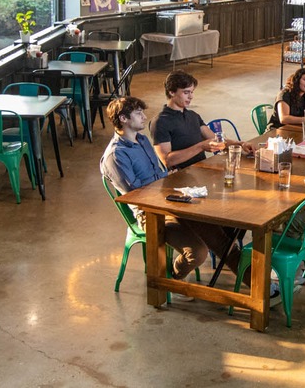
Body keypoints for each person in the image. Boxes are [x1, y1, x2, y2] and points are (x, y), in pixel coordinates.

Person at [101, 96, 248, 292]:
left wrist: (173, 183)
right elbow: (136, 195)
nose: (144, 117)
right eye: (138, 113)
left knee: (221, 234)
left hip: (171, 201)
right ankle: (170, 278)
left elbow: (160, 174)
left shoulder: (142, 140)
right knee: (198, 252)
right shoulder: (115, 155)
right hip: (151, 214)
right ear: (123, 119)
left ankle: (263, 287)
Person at [152, 70, 253, 171]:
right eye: (186, 92)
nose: (191, 97)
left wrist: (241, 144)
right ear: (171, 92)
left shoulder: (193, 116)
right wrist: (201, 147)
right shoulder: (161, 122)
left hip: (201, 170)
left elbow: (217, 140)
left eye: (192, 92)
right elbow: (167, 160)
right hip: (180, 177)